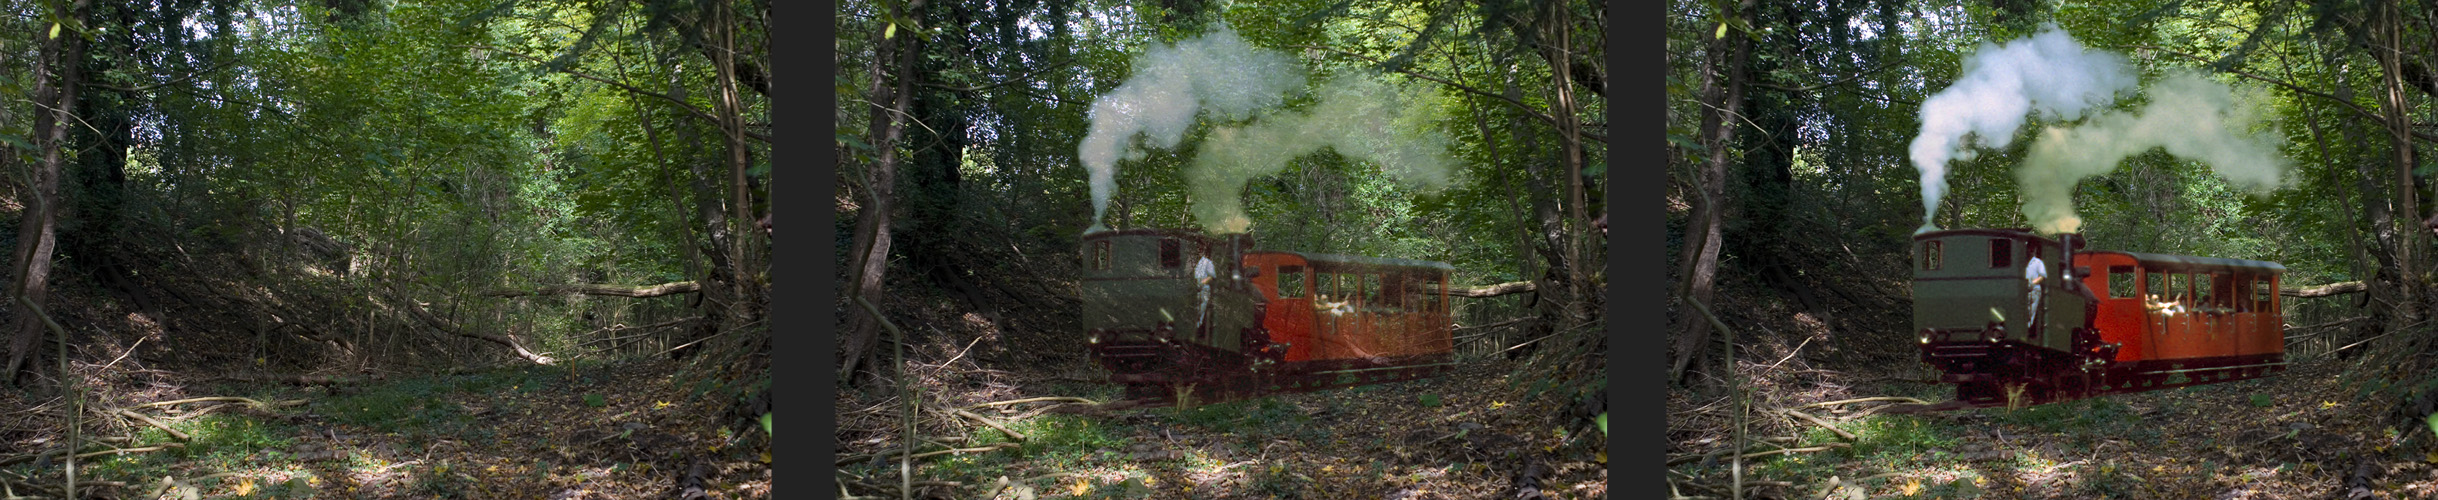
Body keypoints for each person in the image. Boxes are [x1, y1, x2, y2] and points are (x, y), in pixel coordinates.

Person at [2025, 246, 2048, 331]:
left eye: (2032, 249)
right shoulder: (2023, 261)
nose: (2030, 251)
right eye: (2029, 249)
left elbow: (2042, 276)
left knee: (2031, 311)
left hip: (2034, 289)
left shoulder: (2038, 262)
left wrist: (2032, 283)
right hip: (2024, 289)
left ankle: (2028, 327)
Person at [1194, 251, 1216, 333]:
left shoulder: (1207, 262)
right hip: (1192, 290)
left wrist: (1201, 283)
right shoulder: (1190, 261)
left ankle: (1198, 328)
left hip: (1203, 289)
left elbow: (1212, 277)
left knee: (1201, 310)